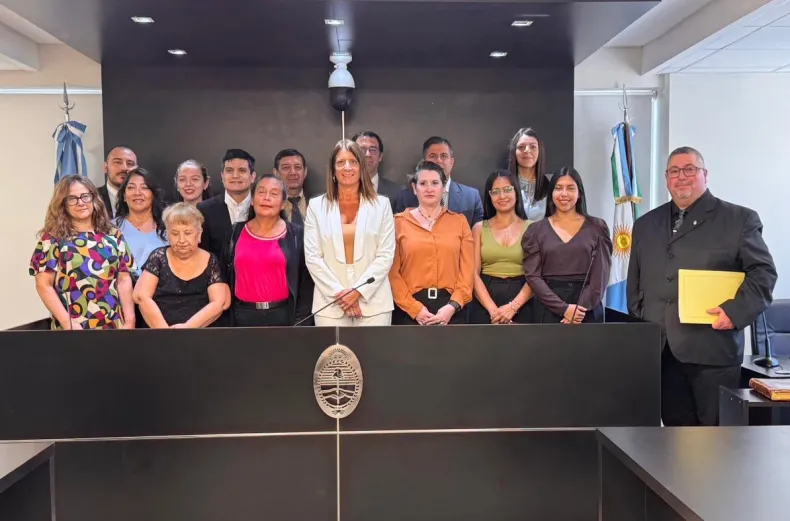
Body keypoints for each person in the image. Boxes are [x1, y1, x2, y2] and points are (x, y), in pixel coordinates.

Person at [627, 146, 776, 426]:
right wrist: (641, 324)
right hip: (661, 352)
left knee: (715, 440)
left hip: (713, 351)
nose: (681, 176)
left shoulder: (739, 219)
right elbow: (635, 283)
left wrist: (735, 312)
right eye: (674, 171)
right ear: (666, 179)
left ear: (705, 175)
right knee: (673, 438)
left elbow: (764, 273)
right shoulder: (645, 224)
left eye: (690, 169)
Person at [304, 140, 395, 326]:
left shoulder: (382, 205)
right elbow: (313, 257)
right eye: (340, 162)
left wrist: (358, 292)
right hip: (330, 305)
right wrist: (341, 295)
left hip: (374, 305)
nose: (347, 167)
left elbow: (385, 255)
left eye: (353, 161)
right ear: (333, 170)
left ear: (361, 167)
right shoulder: (316, 206)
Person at [29, 175, 135, 330]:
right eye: (72, 199)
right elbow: (43, 285)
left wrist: (130, 321)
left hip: (113, 326)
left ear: (94, 198)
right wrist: (67, 323)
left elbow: (123, 280)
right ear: (62, 204)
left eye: (85, 196)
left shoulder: (113, 235)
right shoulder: (52, 239)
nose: (80, 203)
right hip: (72, 328)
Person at [522, 167, 612, 324]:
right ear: (551, 193)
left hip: (586, 310)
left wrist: (578, 311)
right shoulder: (535, 230)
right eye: (558, 188)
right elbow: (533, 276)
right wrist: (563, 309)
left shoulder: (597, 227)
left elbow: (600, 276)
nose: (564, 194)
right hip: (548, 309)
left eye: (570, 188)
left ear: (579, 193)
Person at [389, 161, 474, 325]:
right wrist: (415, 309)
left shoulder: (459, 222)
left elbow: (467, 272)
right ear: (414, 188)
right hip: (410, 310)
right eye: (423, 183)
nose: (429, 189)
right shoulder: (397, 223)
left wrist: (452, 306)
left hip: (451, 310)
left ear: (443, 187)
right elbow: (392, 274)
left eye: (435, 183)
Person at [222, 174, 313, 326]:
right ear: (252, 200)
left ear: (283, 203)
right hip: (242, 316)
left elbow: (305, 282)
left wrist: (300, 322)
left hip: (283, 316)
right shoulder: (235, 232)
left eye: (274, 194)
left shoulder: (296, 234)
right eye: (261, 192)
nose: (267, 198)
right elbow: (224, 277)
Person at [133, 203, 229, 328]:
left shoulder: (211, 260)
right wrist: (166, 332)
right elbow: (141, 296)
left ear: (199, 233)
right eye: (175, 233)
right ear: (167, 234)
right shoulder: (158, 257)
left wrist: (187, 328)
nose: (182, 240)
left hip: (198, 333)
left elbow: (219, 302)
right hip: (160, 331)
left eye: (188, 233)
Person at [470, 170, 533, 324]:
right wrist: (494, 311)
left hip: (522, 301)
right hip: (485, 302)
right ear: (489, 196)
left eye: (507, 189)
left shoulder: (532, 228)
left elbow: (536, 275)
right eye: (495, 192)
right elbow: (473, 274)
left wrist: (513, 307)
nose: (502, 196)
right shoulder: (478, 228)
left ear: (516, 192)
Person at [395, 136, 484, 228]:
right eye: (433, 156)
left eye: (444, 156)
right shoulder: (405, 197)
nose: (439, 161)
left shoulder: (471, 197)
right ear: (424, 162)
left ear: (452, 162)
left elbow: (478, 233)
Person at [198, 149, 256, 257]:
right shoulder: (204, 210)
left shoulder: (262, 208)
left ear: (253, 176)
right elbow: (201, 253)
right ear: (222, 176)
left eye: (242, 170)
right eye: (229, 170)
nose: (235, 176)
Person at [115, 167, 168, 279]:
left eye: (144, 188)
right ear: (124, 196)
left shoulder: (169, 228)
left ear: (153, 195)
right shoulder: (110, 229)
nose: (137, 193)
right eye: (131, 188)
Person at [352, 130, 403, 211]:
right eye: (362, 149)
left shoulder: (398, 193)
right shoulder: (338, 191)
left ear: (380, 156)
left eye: (373, 150)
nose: (368, 154)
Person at [508, 127, 550, 221]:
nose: (527, 150)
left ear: (539, 151)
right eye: (521, 147)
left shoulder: (551, 185)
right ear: (514, 152)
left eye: (533, 147)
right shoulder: (505, 184)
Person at [98, 146, 137, 218]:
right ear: (105, 167)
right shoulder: (92, 197)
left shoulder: (146, 199)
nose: (124, 168)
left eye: (130, 164)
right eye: (118, 162)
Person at [272, 149, 308, 226]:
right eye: (286, 168)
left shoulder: (320, 206)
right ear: (276, 173)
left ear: (305, 172)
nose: (292, 172)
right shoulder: (268, 206)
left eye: (297, 167)